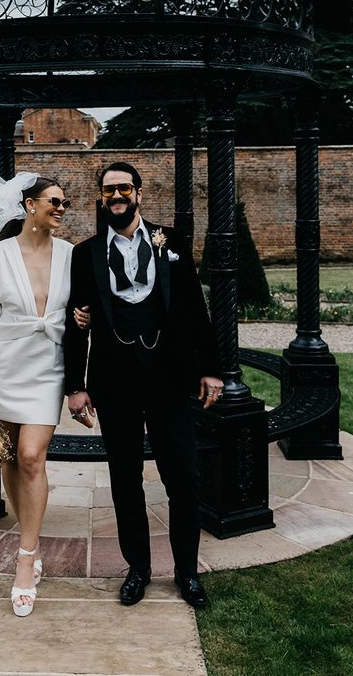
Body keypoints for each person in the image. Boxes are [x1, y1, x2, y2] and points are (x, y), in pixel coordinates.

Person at [63, 161, 223, 608]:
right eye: (109, 190)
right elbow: (74, 323)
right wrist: (76, 385)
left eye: (124, 188)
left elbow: (195, 309)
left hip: (170, 378)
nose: (117, 196)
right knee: (125, 480)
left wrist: (211, 369)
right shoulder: (86, 253)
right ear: (101, 198)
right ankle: (139, 569)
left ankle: (187, 573)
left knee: (184, 479)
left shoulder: (170, 241)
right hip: (115, 383)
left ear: (138, 193)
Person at [0, 177, 91, 617]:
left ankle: (25, 560)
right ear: (30, 205)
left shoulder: (72, 256)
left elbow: (87, 304)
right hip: (4, 368)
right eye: (55, 201)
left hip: (48, 369)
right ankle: (26, 535)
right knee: (10, 458)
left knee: (31, 456)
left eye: (65, 203)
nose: (62, 208)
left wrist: (85, 317)